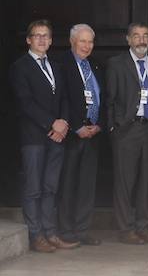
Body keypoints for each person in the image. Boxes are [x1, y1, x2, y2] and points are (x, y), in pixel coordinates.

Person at [11, 19, 77, 253]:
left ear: (50, 40)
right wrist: (52, 123)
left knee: (50, 187)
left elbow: (65, 99)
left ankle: (50, 232)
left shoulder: (56, 66)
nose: (42, 39)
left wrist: (64, 124)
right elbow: (25, 102)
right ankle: (36, 235)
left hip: (57, 137)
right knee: (34, 188)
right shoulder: (20, 66)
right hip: (34, 138)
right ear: (29, 40)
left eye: (46, 35)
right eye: (37, 35)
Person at [105, 22, 148, 245]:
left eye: (146, 35)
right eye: (137, 36)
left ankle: (143, 226)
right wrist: (113, 128)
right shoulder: (116, 64)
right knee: (124, 182)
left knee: (145, 183)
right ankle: (125, 228)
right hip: (126, 130)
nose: (142, 40)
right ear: (128, 39)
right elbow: (109, 100)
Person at [56, 24, 103, 246]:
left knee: (87, 185)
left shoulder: (94, 64)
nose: (87, 46)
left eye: (90, 41)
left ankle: (82, 229)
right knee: (68, 184)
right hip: (73, 134)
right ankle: (66, 231)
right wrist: (76, 126)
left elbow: (103, 95)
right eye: (82, 41)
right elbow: (62, 99)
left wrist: (99, 124)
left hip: (93, 134)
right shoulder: (61, 64)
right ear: (72, 41)